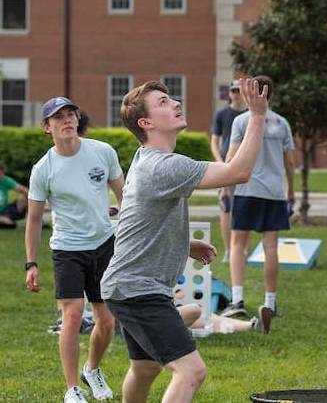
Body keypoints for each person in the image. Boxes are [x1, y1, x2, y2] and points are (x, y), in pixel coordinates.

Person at [99, 78, 269, 403]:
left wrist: (185, 243)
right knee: (191, 372)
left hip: (127, 286)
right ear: (145, 123)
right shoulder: (164, 167)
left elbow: (141, 217)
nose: (175, 103)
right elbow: (238, 172)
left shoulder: (143, 158)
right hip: (138, 289)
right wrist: (257, 115)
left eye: (171, 98)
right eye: (162, 102)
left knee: (145, 368)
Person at [24, 97, 125, 403]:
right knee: (72, 315)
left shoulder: (102, 152)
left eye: (71, 114)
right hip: (68, 248)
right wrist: (31, 263)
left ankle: (92, 369)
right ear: (47, 127)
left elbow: (126, 197)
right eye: (59, 117)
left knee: (107, 321)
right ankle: (72, 389)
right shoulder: (43, 169)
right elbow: (34, 219)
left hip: (104, 243)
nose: (67, 120)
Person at [221, 75, 295, 322]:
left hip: (246, 190)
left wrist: (223, 187)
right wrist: (291, 191)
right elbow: (290, 162)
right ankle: (270, 303)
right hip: (274, 193)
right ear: (270, 94)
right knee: (271, 248)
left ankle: (237, 299)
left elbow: (231, 158)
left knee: (237, 246)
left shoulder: (242, 121)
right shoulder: (282, 123)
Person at [210, 80, 247, 263]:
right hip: (227, 167)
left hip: (246, 168)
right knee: (226, 208)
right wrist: (221, 163)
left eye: (239, 90)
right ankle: (228, 250)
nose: (236, 94)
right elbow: (215, 141)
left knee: (244, 207)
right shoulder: (222, 114)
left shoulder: (251, 115)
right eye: (233, 90)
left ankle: (243, 249)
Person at [0, 160, 29, 228]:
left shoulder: (5, 180)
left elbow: (25, 191)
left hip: (5, 210)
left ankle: (35, 221)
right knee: (7, 222)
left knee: (26, 198)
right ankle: (7, 222)